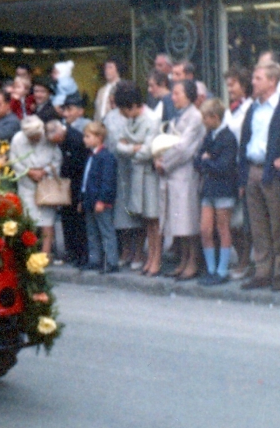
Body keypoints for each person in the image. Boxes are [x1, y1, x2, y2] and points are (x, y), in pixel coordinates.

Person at [239, 61, 280, 291]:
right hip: (253, 167)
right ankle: (263, 270)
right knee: (258, 225)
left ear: (272, 81)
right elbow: (245, 140)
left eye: (258, 78)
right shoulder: (253, 107)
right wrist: (243, 175)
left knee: (277, 223)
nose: (253, 82)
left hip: (272, 170)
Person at [155, 79, 206, 280]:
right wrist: (159, 157)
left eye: (177, 93)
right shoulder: (176, 117)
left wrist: (164, 162)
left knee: (188, 221)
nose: (173, 97)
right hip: (173, 175)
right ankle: (184, 260)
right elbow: (166, 142)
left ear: (189, 95)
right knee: (178, 222)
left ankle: (193, 261)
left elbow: (184, 148)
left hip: (185, 174)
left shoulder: (195, 117)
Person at [116, 81, 160, 274]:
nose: (122, 115)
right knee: (146, 220)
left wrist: (131, 147)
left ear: (133, 105)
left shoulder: (151, 119)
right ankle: (150, 257)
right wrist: (135, 146)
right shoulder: (131, 120)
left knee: (153, 219)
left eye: (124, 110)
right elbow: (119, 145)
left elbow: (148, 151)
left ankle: (155, 259)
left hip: (150, 175)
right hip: (138, 174)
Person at [193, 98, 238, 285]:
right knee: (205, 229)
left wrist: (206, 160)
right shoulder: (209, 136)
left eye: (205, 117)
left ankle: (222, 270)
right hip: (209, 188)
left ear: (214, 117)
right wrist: (207, 160)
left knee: (222, 228)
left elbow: (224, 166)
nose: (203, 121)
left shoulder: (228, 137)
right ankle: (211, 269)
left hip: (223, 189)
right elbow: (197, 160)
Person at [10, 115, 63, 256]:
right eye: (31, 137)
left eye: (37, 136)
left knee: (47, 220)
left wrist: (44, 171)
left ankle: (45, 255)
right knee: (29, 221)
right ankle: (30, 253)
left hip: (46, 184)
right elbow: (14, 161)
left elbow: (57, 159)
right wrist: (29, 172)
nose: (35, 139)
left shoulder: (48, 138)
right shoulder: (17, 139)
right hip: (26, 185)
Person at [223, 65, 253, 279]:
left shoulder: (250, 108)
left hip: (243, 167)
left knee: (243, 220)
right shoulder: (230, 109)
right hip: (228, 169)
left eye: (232, 84)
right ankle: (242, 257)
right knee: (231, 220)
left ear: (244, 85)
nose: (229, 88)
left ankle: (245, 260)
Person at [45, 119, 87, 268]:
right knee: (67, 219)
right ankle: (71, 252)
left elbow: (78, 165)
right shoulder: (62, 139)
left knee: (78, 221)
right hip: (66, 184)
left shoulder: (75, 139)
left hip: (77, 183)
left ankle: (81, 254)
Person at [79, 121, 118, 273]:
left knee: (106, 231)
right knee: (92, 232)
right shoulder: (92, 156)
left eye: (88, 136)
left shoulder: (106, 157)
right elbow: (86, 180)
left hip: (100, 201)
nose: (85, 139)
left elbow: (107, 181)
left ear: (99, 137)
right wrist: (82, 199)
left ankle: (111, 261)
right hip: (90, 200)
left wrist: (102, 200)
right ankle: (95, 259)